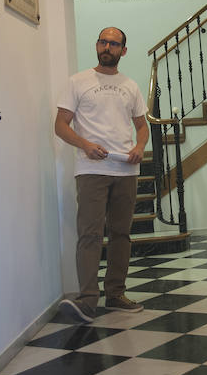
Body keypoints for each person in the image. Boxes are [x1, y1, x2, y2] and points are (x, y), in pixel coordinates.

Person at [54, 27, 150, 323]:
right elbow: (60, 125)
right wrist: (85, 144)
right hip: (91, 169)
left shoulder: (130, 86)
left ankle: (116, 293)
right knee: (90, 234)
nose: (107, 46)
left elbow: (142, 126)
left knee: (121, 233)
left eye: (114, 43)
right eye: (103, 41)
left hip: (125, 168)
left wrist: (140, 146)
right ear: (97, 45)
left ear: (123, 50)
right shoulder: (78, 81)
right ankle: (87, 299)